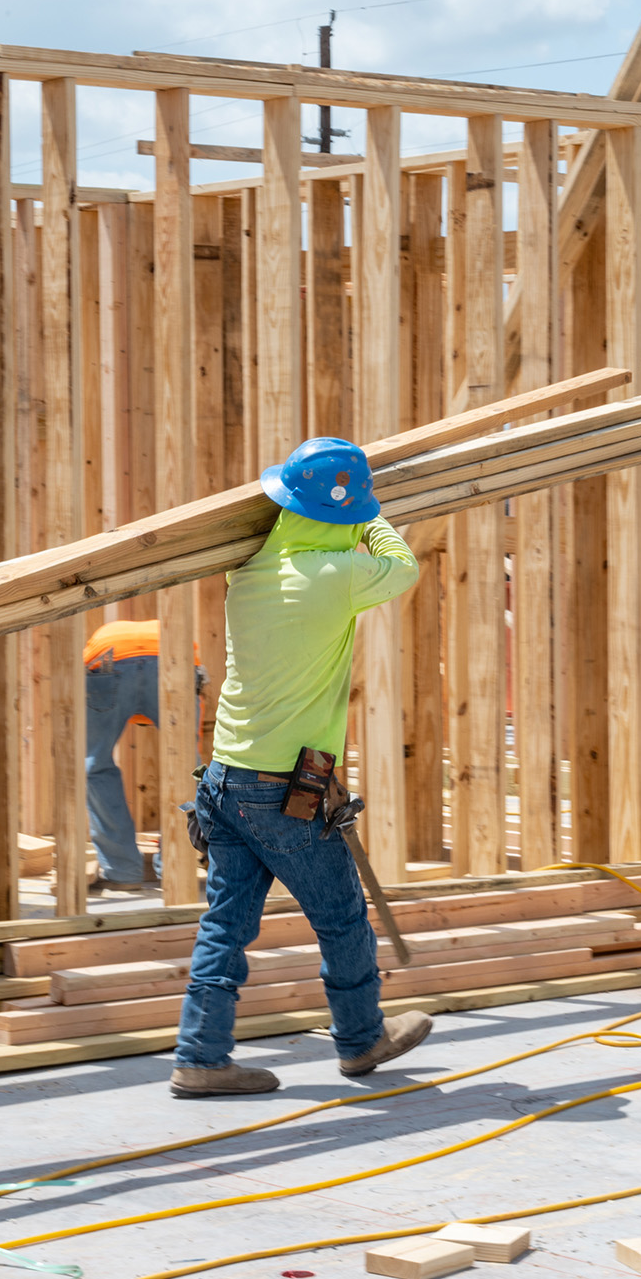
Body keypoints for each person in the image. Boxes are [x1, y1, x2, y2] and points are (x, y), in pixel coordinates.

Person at [170, 437, 428, 1098]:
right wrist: (369, 516)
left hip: (223, 779)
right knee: (340, 913)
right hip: (283, 788)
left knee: (226, 921)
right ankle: (361, 1038)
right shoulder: (339, 575)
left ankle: (201, 1055)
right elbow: (402, 566)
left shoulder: (248, 570)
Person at [82, 619, 205, 889]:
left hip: (109, 651)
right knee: (189, 766)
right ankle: (176, 868)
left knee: (94, 765)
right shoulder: (173, 634)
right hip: (173, 651)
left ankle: (122, 871)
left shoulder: (107, 633)